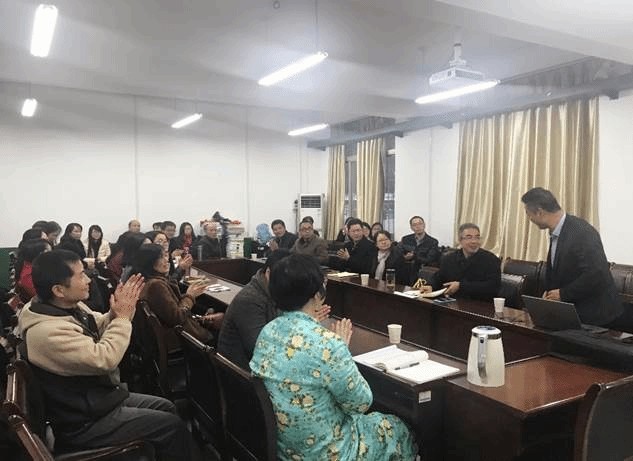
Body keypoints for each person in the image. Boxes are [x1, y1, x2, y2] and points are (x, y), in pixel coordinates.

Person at [18, 250, 194, 459]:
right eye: (81, 276)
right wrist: (122, 318)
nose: (88, 280)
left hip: (96, 400)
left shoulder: (64, 305)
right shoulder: (46, 332)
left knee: (166, 407)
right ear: (58, 290)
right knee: (171, 426)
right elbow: (105, 359)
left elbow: (97, 323)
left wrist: (115, 312)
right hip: (82, 422)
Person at [250, 254, 417, 461]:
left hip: (285, 448)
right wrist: (341, 349)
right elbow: (361, 403)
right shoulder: (327, 344)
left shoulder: (268, 331)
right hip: (328, 452)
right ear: (317, 294)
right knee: (397, 427)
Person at [521, 187, 623, 326]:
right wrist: (548, 294)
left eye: (528, 214)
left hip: (598, 319)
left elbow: (597, 273)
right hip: (576, 313)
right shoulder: (557, 232)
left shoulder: (582, 232)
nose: (530, 219)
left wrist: (563, 294)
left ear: (539, 212)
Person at [217, 250, 296, 370]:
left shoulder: (272, 291)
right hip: (240, 372)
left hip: (258, 364)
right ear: (268, 273)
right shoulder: (249, 299)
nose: (288, 286)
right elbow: (261, 348)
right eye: (284, 279)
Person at [135, 244, 222, 348]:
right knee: (225, 332)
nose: (166, 260)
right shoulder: (156, 285)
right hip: (181, 337)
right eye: (161, 257)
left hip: (179, 331)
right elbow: (177, 318)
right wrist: (190, 296)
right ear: (150, 263)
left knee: (218, 318)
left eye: (165, 256)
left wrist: (201, 318)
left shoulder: (151, 280)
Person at [430, 223, 500, 301]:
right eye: (469, 238)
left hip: (480, 304)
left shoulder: (491, 260)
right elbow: (439, 278)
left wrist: (461, 286)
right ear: (460, 241)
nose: (474, 241)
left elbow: (493, 288)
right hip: (452, 303)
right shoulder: (449, 258)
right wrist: (430, 286)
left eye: (477, 237)